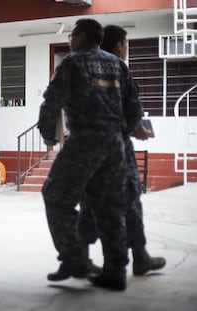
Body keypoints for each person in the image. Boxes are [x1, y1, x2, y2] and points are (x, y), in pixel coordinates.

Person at [38, 19, 143, 290]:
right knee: (110, 207)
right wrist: (121, 133)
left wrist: (48, 133)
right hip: (115, 144)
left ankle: (74, 258)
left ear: (82, 36)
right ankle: (115, 271)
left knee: (55, 194)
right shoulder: (119, 65)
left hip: (85, 140)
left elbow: (52, 101)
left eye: (72, 35)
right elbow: (134, 109)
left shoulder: (72, 63)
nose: (70, 40)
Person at [77, 24, 166, 277]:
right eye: (126, 44)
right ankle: (140, 257)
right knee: (129, 201)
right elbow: (132, 113)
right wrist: (138, 129)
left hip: (85, 151)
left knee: (90, 203)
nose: (126, 49)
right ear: (119, 45)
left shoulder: (79, 68)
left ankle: (81, 258)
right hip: (116, 151)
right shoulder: (119, 70)